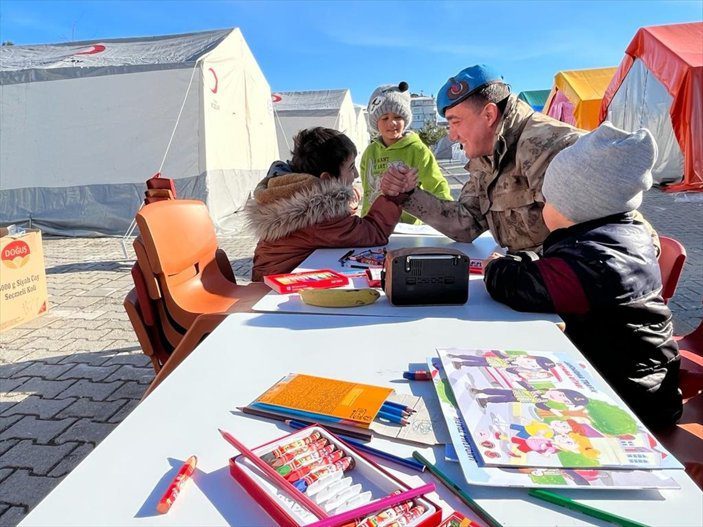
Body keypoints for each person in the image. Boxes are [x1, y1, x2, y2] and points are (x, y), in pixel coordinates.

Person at [482, 123, 682, 429]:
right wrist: (525, 260)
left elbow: (523, 287)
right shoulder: (615, 239)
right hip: (630, 380)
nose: (542, 206)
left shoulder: (595, 262)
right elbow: (551, 271)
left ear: (574, 209)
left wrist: (494, 268)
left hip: (628, 403)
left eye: (548, 200)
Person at [380, 65, 659, 254]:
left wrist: (522, 276)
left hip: (575, 304)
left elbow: (615, 244)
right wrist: (408, 196)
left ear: (489, 115)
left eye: (455, 122)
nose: (452, 136)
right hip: (532, 287)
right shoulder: (487, 154)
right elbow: (467, 223)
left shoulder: (553, 147)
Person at [246, 127, 412, 282]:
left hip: (269, 279)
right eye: (351, 167)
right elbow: (374, 232)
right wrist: (394, 196)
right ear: (327, 179)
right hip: (274, 290)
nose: (355, 174)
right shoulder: (317, 212)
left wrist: (344, 200)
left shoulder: (290, 193)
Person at [360, 81, 451, 225]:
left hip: (406, 229)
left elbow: (436, 185)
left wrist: (448, 216)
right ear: (375, 122)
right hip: (373, 224)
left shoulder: (417, 150)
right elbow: (367, 190)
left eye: (397, 117)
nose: (392, 123)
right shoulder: (369, 152)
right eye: (385, 118)